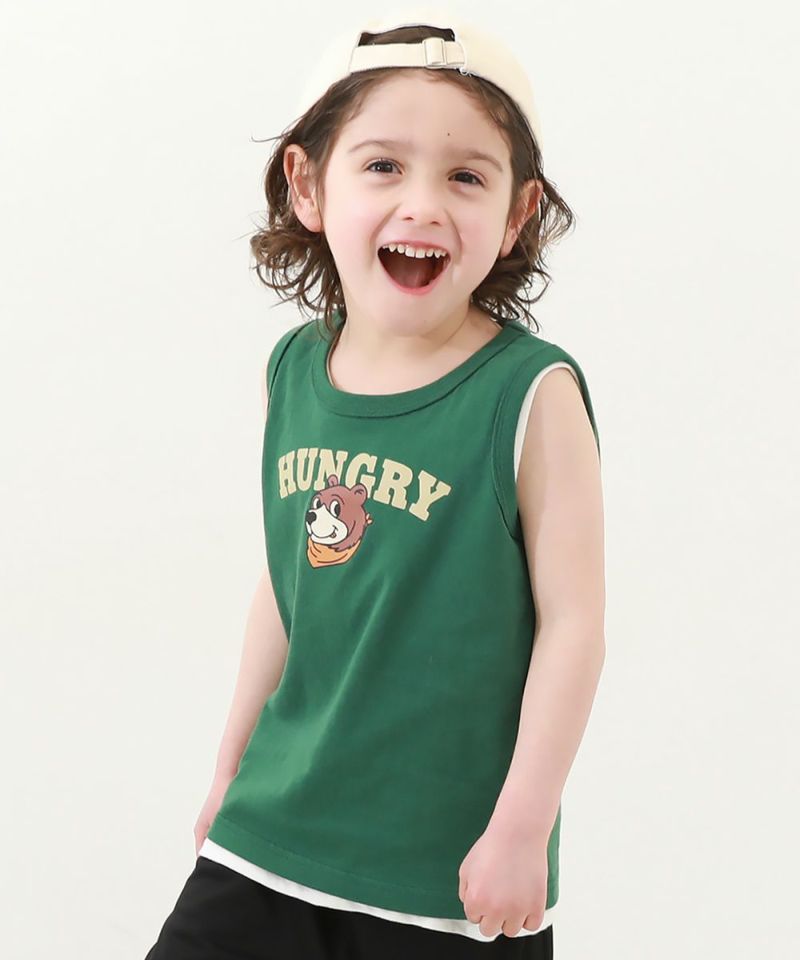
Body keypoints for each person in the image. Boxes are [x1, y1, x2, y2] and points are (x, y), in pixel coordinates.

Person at [143, 6, 605, 958]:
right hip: (273, 835)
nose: (423, 204)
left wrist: (523, 829)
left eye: (466, 176)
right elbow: (286, 584)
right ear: (309, 185)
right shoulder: (293, 372)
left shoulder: (530, 394)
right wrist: (229, 768)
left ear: (517, 214)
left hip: (441, 877)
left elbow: (575, 625)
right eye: (384, 165)